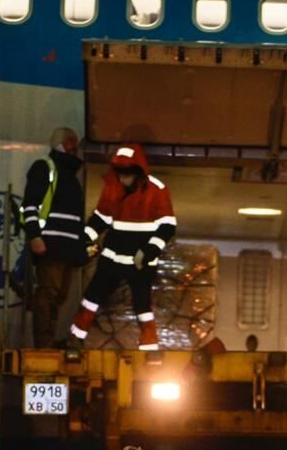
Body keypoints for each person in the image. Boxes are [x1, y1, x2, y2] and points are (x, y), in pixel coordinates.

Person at [69, 143, 176, 351]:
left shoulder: (157, 190)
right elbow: (101, 219)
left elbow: (167, 226)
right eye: (120, 174)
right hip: (112, 257)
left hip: (140, 260)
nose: (123, 179)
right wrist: (83, 240)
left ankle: (149, 348)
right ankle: (75, 339)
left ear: (138, 173)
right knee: (91, 298)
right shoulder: (112, 188)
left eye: (127, 174)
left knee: (142, 305)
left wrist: (149, 250)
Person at [19, 127, 87, 348]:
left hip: (65, 249)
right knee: (47, 296)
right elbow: (29, 206)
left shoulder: (70, 177)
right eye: (70, 142)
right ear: (60, 143)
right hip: (52, 246)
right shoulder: (46, 168)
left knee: (57, 298)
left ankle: (48, 340)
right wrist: (35, 237)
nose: (74, 147)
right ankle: (44, 343)